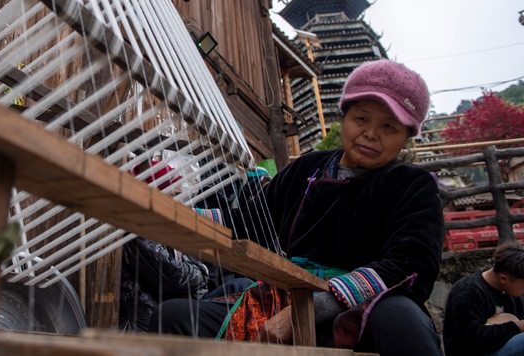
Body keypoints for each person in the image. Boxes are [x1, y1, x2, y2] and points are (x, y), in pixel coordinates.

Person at [148, 59, 445, 355]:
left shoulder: (412, 185)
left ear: (407, 137)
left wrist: (310, 310)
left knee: (401, 318)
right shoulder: (307, 168)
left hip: (357, 311)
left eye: (389, 127)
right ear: (343, 117)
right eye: (362, 119)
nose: (370, 133)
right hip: (284, 300)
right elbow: (250, 223)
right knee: (175, 317)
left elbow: (410, 266)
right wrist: (166, 214)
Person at [443, 243, 524, 356]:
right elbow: (472, 338)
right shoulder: (468, 291)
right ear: (503, 278)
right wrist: (517, 327)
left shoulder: (510, 292)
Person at [118, 236, 209, 332]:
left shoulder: (159, 233)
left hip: (157, 321)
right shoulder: (137, 235)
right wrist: (202, 272)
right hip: (141, 327)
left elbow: (182, 269)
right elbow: (173, 276)